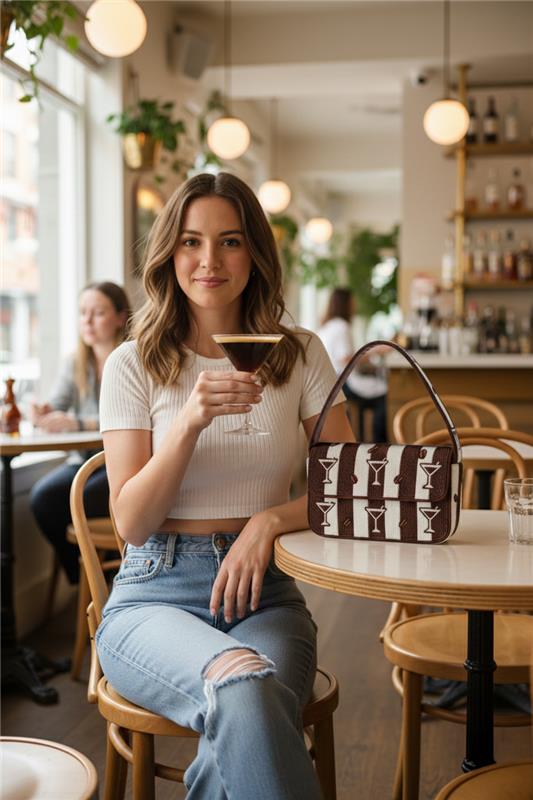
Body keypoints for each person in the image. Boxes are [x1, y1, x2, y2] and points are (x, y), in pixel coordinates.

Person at [96, 172, 354, 799]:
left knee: (247, 703)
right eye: (190, 242)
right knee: (245, 689)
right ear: (169, 254)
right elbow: (130, 523)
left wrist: (267, 522)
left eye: (231, 241)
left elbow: (346, 489)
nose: (209, 260)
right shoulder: (133, 363)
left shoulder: (300, 353)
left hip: (264, 593)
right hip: (152, 593)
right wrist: (188, 422)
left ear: (255, 254)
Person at [30, 281, 131, 584]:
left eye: (98, 313)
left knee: (83, 497)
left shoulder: (131, 357)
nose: (87, 321)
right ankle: (84, 578)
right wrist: (43, 413)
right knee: (43, 499)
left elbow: (130, 416)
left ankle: (116, 575)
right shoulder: (76, 362)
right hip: (82, 460)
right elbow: (57, 405)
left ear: (120, 317)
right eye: (82, 313)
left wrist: (78, 423)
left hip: (121, 460)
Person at [317, 287, 388, 442]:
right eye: (353, 302)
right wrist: (374, 351)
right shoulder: (342, 326)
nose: (355, 306)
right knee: (385, 395)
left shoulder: (326, 326)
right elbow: (346, 360)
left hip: (330, 383)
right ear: (346, 304)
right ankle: (380, 442)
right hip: (345, 384)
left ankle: (366, 437)